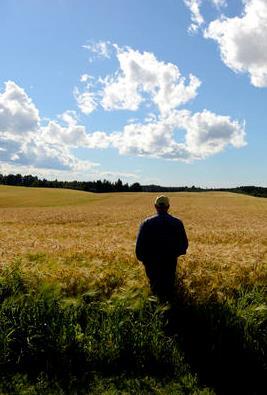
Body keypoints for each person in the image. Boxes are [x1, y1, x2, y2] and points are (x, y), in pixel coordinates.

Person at [136, 195, 188, 300]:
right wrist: (174, 254)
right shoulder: (177, 223)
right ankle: (170, 310)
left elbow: (139, 246)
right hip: (170, 261)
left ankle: (155, 310)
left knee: (154, 287)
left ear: (155, 206)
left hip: (151, 262)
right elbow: (184, 245)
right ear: (168, 206)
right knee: (168, 286)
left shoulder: (146, 223)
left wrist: (144, 260)